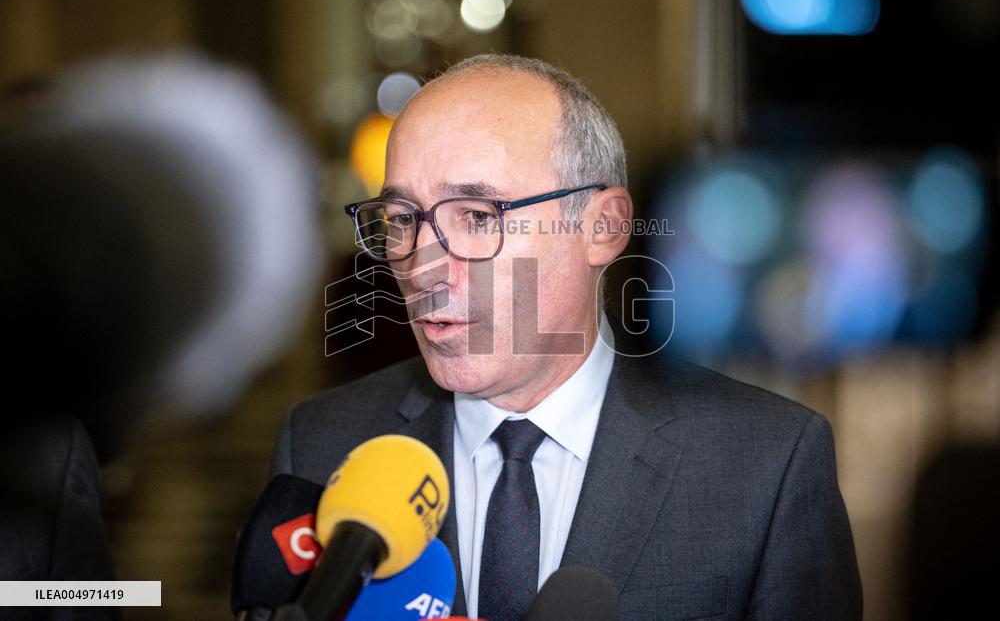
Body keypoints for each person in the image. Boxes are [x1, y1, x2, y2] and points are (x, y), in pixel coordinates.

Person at [264, 54, 862, 619]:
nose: (422, 264)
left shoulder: (766, 465)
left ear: (602, 227)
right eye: (401, 220)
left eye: (476, 217)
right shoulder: (321, 446)